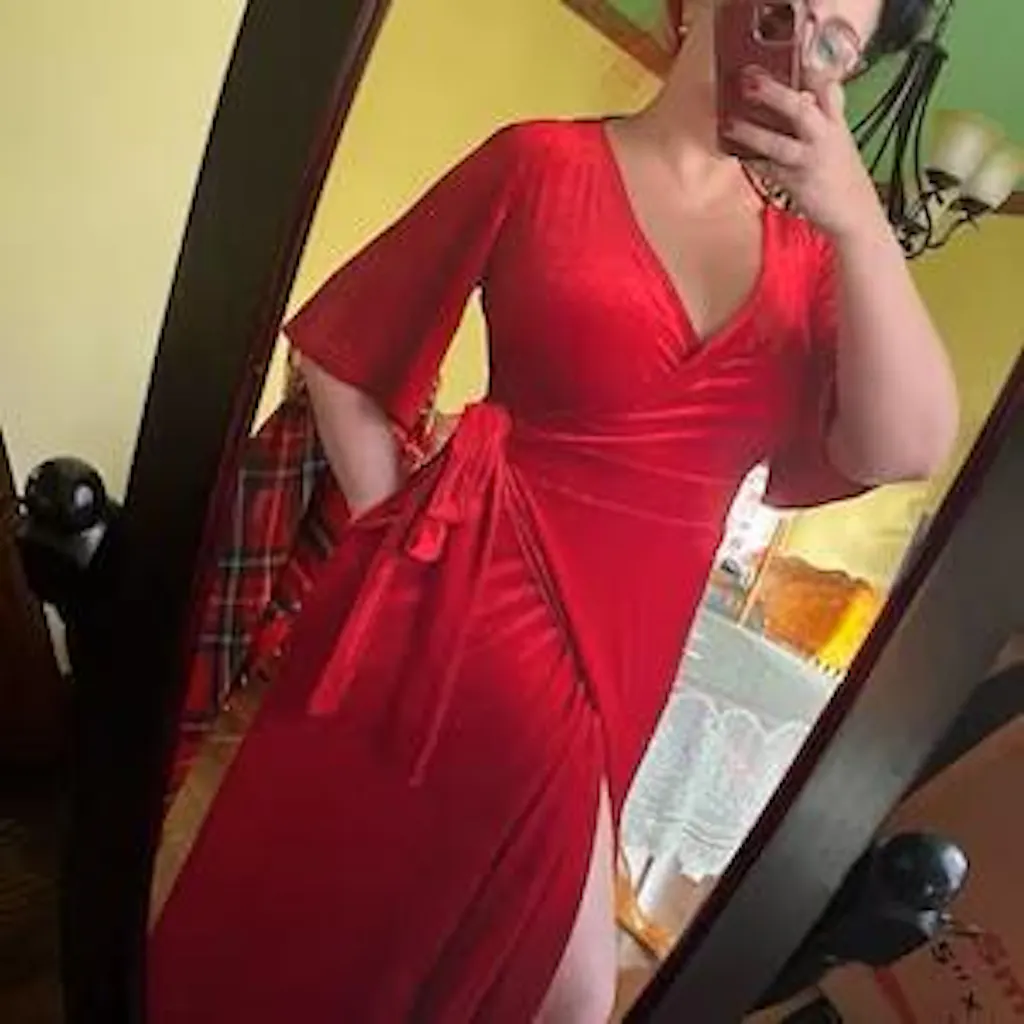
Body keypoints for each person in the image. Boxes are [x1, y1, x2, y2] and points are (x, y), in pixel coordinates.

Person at [147, 0, 957, 1020]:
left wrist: (857, 222)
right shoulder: (538, 162)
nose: (798, 43)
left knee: (491, 958)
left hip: (631, 648)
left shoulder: (816, 268)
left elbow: (904, 445)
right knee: (510, 971)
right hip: (467, 600)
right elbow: (340, 356)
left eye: (835, 42)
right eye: (781, 7)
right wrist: (396, 536)